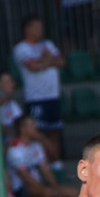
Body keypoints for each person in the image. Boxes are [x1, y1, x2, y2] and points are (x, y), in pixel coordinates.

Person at [12, 15, 66, 165]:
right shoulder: (21, 48)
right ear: (27, 29)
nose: (40, 29)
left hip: (53, 97)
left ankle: (57, 166)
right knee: (39, 133)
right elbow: (33, 66)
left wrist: (43, 61)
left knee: (55, 131)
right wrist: (48, 60)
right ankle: (44, 166)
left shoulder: (47, 44)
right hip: (36, 98)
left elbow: (61, 62)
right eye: (36, 26)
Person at [6, 114, 77, 197]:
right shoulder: (15, 149)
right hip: (22, 189)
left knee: (73, 193)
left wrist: (56, 187)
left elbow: (46, 170)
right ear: (22, 129)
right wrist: (48, 190)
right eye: (31, 125)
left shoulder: (36, 145)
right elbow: (25, 177)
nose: (35, 127)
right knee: (47, 193)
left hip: (40, 184)